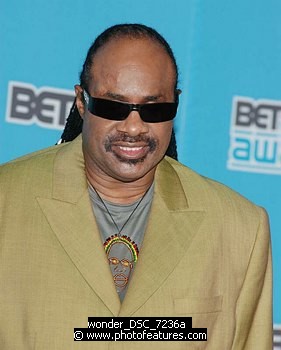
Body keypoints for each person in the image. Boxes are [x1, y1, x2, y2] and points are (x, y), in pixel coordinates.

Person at [0, 24, 272, 349]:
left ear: (176, 105)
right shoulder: (7, 200)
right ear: (81, 101)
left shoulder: (240, 229)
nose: (134, 126)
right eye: (114, 106)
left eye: (154, 109)